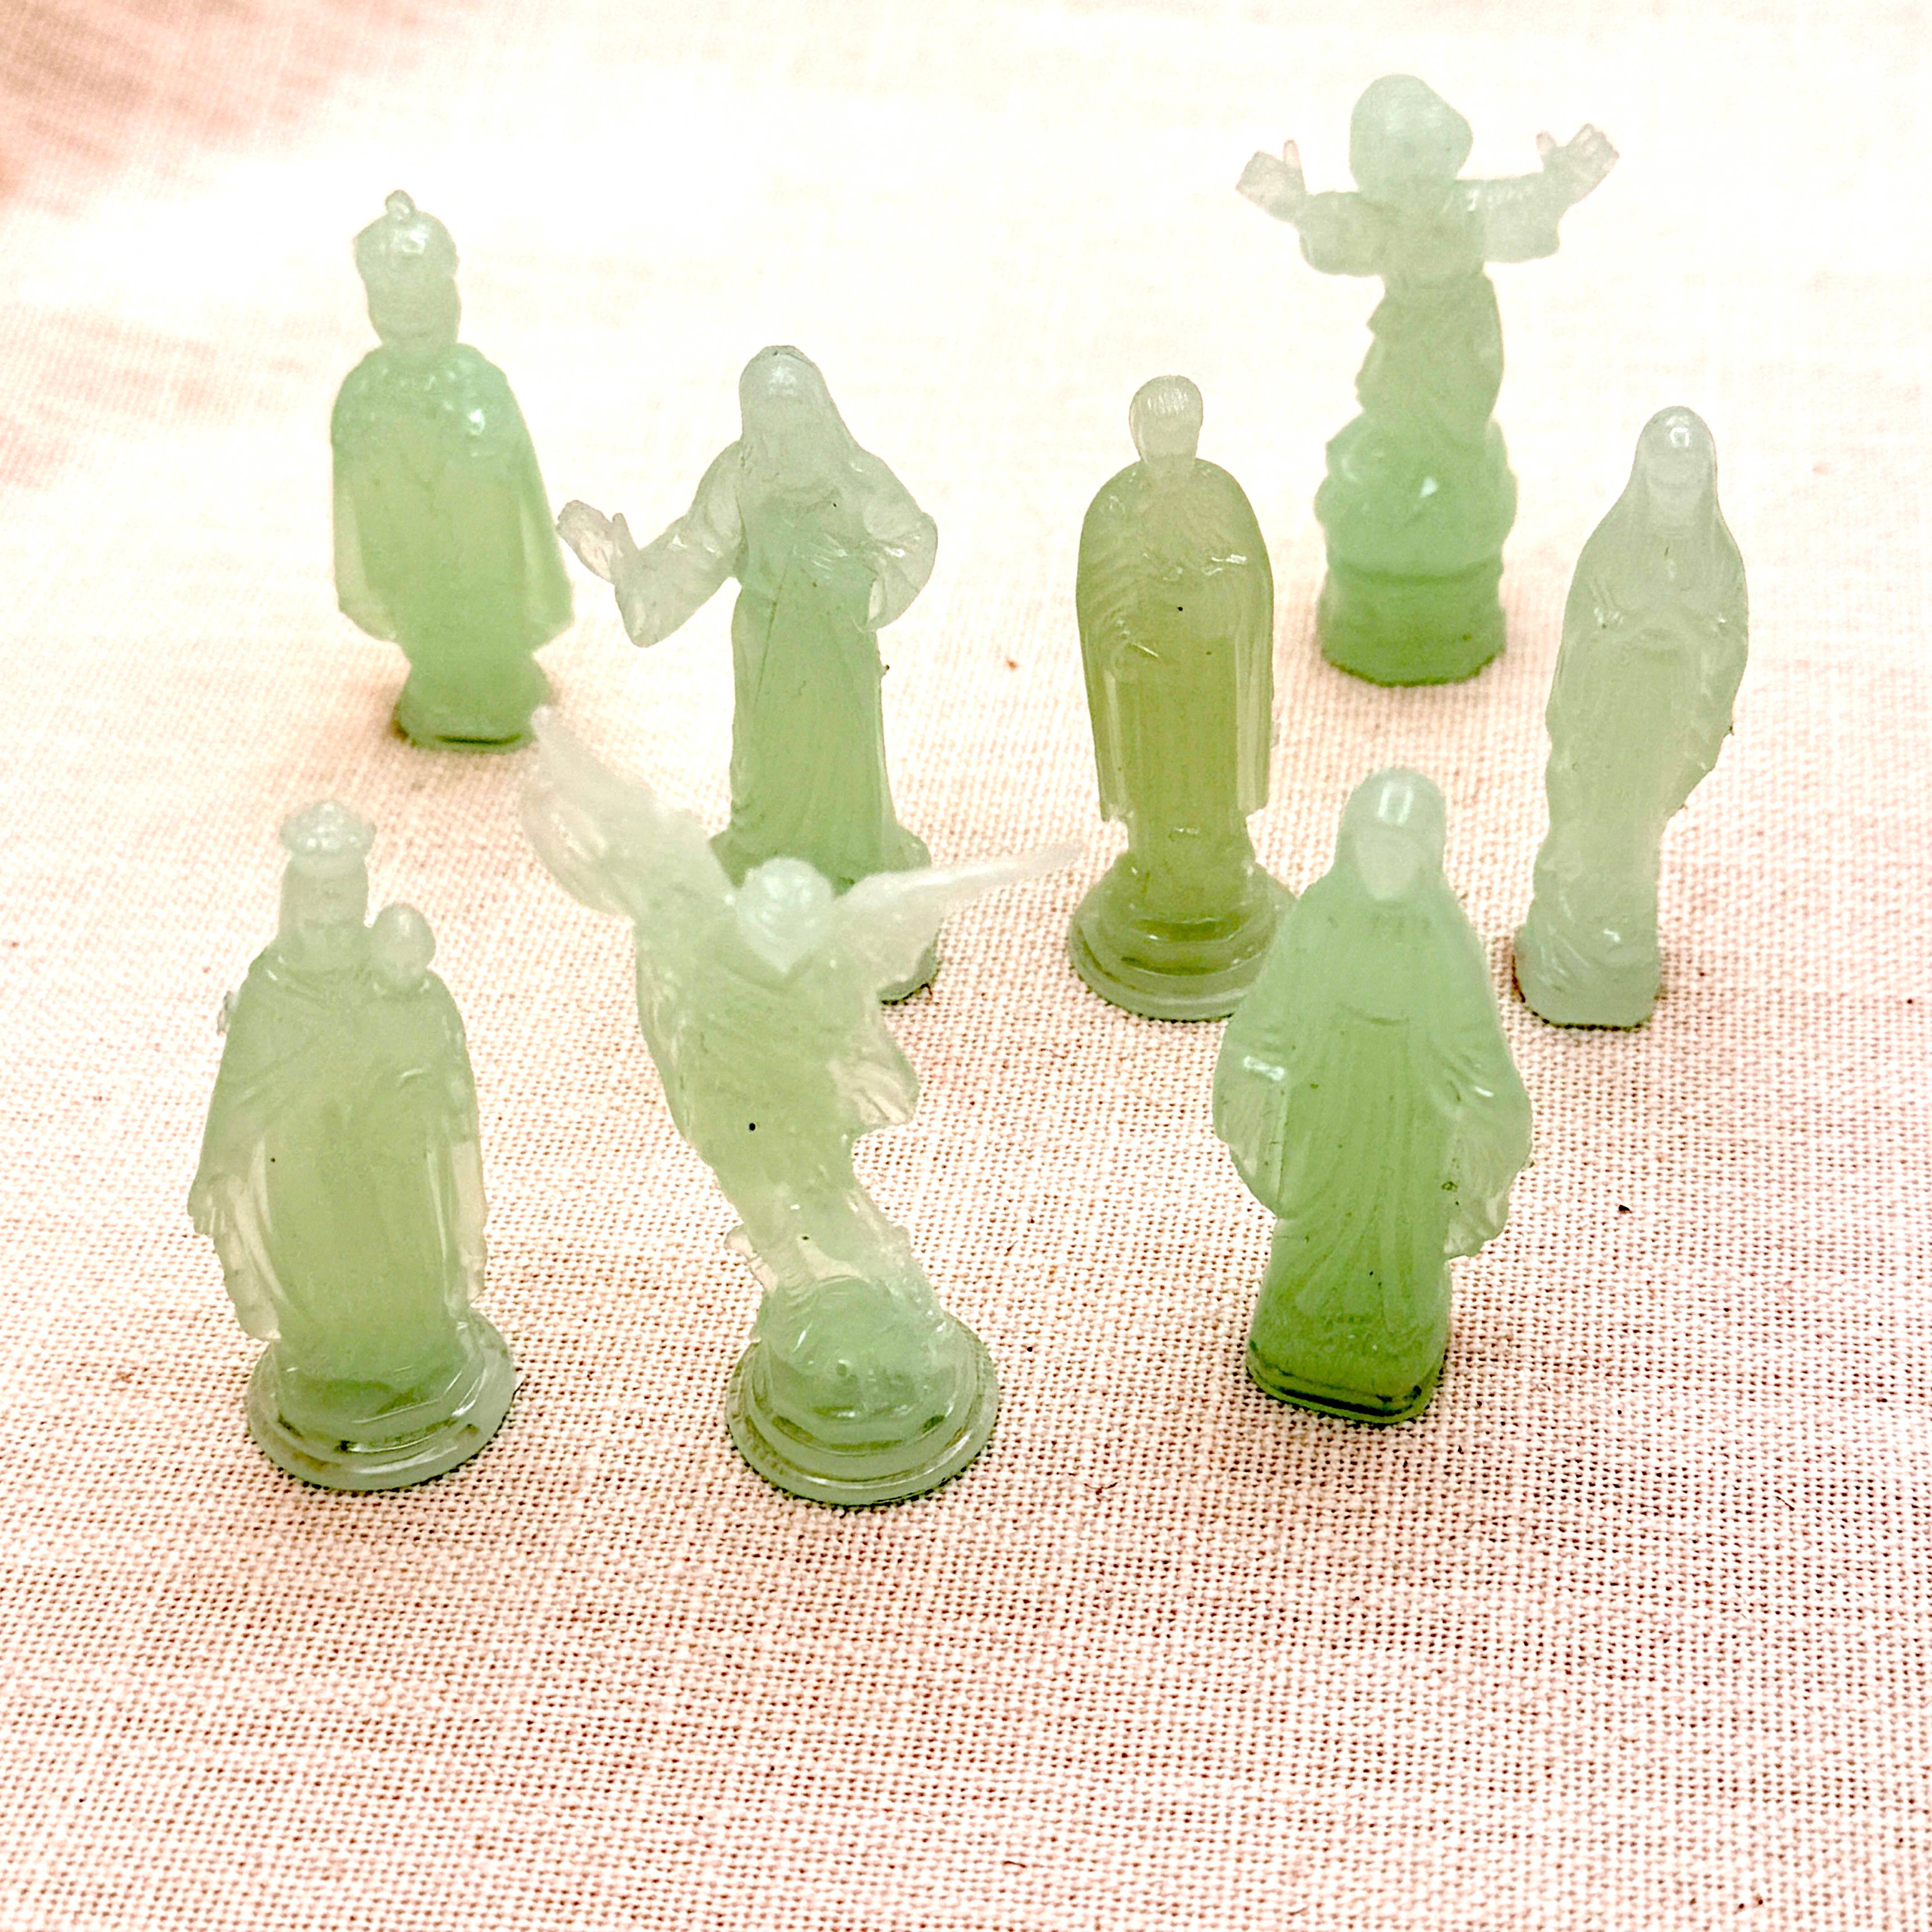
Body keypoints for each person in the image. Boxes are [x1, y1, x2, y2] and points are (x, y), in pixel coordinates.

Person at [557, 347, 938, 984]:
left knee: (841, 764)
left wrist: (861, 589)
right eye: (769, 426)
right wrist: (632, 574)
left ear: (820, 414)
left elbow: (914, 539)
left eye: (795, 422)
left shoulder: (856, 481)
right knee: (765, 761)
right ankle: (764, 856)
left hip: (834, 650)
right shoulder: (738, 477)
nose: (783, 442)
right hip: (766, 650)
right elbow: (697, 549)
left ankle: (851, 865)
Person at [1240, 77, 1616, 683]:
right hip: (1406, 338)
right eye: (1393, 165)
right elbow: (1340, 229)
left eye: (1424, 155)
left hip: (1463, 341)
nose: (1413, 179)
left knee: (1457, 423)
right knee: (1390, 406)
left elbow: (1525, 204)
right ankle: (1404, 479)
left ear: (1450, 147)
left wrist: (1561, 186)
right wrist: (1298, 209)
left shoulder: (1472, 209)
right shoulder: (1380, 221)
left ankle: (1453, 477)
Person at [189, 802, 511, 1488]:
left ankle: (420, 1356)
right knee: (321, 1270)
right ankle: (333, 1368)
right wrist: (217, 1166)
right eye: (317, 897)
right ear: (293, 901)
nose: (331, 913)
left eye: (344, 895)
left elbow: (446, 1082)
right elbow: (241, 1090)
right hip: (306, 1166)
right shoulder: (273, 992)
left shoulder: (401, 985)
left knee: (406, 1263)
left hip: (393, 1168)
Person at [1214, 770, 1532, 1423]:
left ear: (1426, 858)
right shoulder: (1322, 916)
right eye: (1373, 848)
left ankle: (1395, 1325)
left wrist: (1492, 1108)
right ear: (1349, 846)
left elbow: (1474, 1043)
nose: (1385, 866)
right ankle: (1302, 1309)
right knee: (1320, 1208)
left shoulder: (1442, 939)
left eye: (1400, 852)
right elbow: (1275, 1006)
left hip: (1408, 1109)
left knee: (1397, 1223)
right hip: (1330, 1093)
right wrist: (1254, 1064)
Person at [1515, 408, 1748, 1026]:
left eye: (1685, 484)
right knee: (1585, 825)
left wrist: (1699, 707)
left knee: (1636, 838)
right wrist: (1629, 638)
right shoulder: (1613, 548)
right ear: (1645, 478)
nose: (1674, 496)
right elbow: (1581, 639)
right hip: (1609, 716)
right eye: (1664, 482)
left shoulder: (1718, 563)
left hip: (1662, 722)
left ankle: (1618, 942)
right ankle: (1567, 932)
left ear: (1705, 482)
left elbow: (1728, 646)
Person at [1068, 375, 1282, 1020]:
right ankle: (1155, 864)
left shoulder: (1219, 495)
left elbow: (1253, 580)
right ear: (1138, 435)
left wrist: (1210, 589)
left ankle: (1222, 860)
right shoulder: (1116, 508)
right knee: (1160, 777)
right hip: (1152, 685)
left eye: (1180, 435)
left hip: (1210, 675)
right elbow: (1099, 597)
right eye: (1157, 436)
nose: (1169, 449)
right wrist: (1123, 641)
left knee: (1210, 775)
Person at [331, 191, 573, 748]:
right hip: (414, 571)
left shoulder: (480, 386)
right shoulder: (363, 399)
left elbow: (526, 501)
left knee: (488, 622)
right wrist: (369, 584)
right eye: (393, 309)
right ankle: (443, 685)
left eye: (427, 304)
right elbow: (353, 509)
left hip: (489, 568)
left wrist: (542, 590)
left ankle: (501, 682)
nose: (412, 322)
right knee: (432, 626)